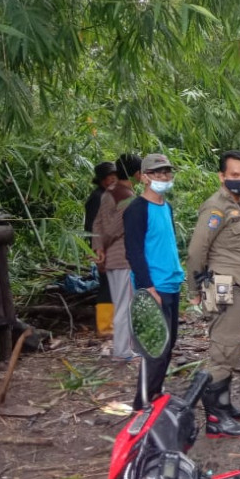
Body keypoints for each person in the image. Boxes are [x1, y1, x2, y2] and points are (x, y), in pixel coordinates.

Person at [185, 150, 240, 437]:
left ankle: (224, 406)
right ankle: (215, 419)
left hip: (236, 283)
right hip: (222, 284)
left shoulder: (237, 204)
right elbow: (195, 251)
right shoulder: (216, 207)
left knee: (232, 347)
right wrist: (194, 290)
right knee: (223, 350)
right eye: (234, 175)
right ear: (222, 176)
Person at [123, 153, 185, 410]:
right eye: (157, 173)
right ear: (145, 177)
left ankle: (156, 394)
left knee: (168, 344)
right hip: (154, 287)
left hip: (171, 283)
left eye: (167, 172)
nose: (163, 177)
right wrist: (148, 288)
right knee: (155, 348)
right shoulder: (137, 209)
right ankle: (143, 403)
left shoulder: (166, 207)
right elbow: (134, 251)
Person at [92, 154, 139, 360]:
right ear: (136, 173)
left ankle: (124, 347)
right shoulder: (125, 195)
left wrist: (99, 248)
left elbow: (97, 224)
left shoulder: (110, 192)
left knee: (122, 303)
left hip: (113, 257)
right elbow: (111, 227)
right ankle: (123, 350)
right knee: (124, 305)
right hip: (122, 258)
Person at [86, 161, 117, 337]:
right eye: (108, 177)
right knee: (106, 286)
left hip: (111, 247)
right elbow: (93, 228)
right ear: (100, 180)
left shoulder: (108, 195)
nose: (112, 179)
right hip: (103, 248)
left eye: (114, 176)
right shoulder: (97, 197)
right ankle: (105, 327)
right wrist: (98, 252)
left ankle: (111, 324)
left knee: (112, 285)